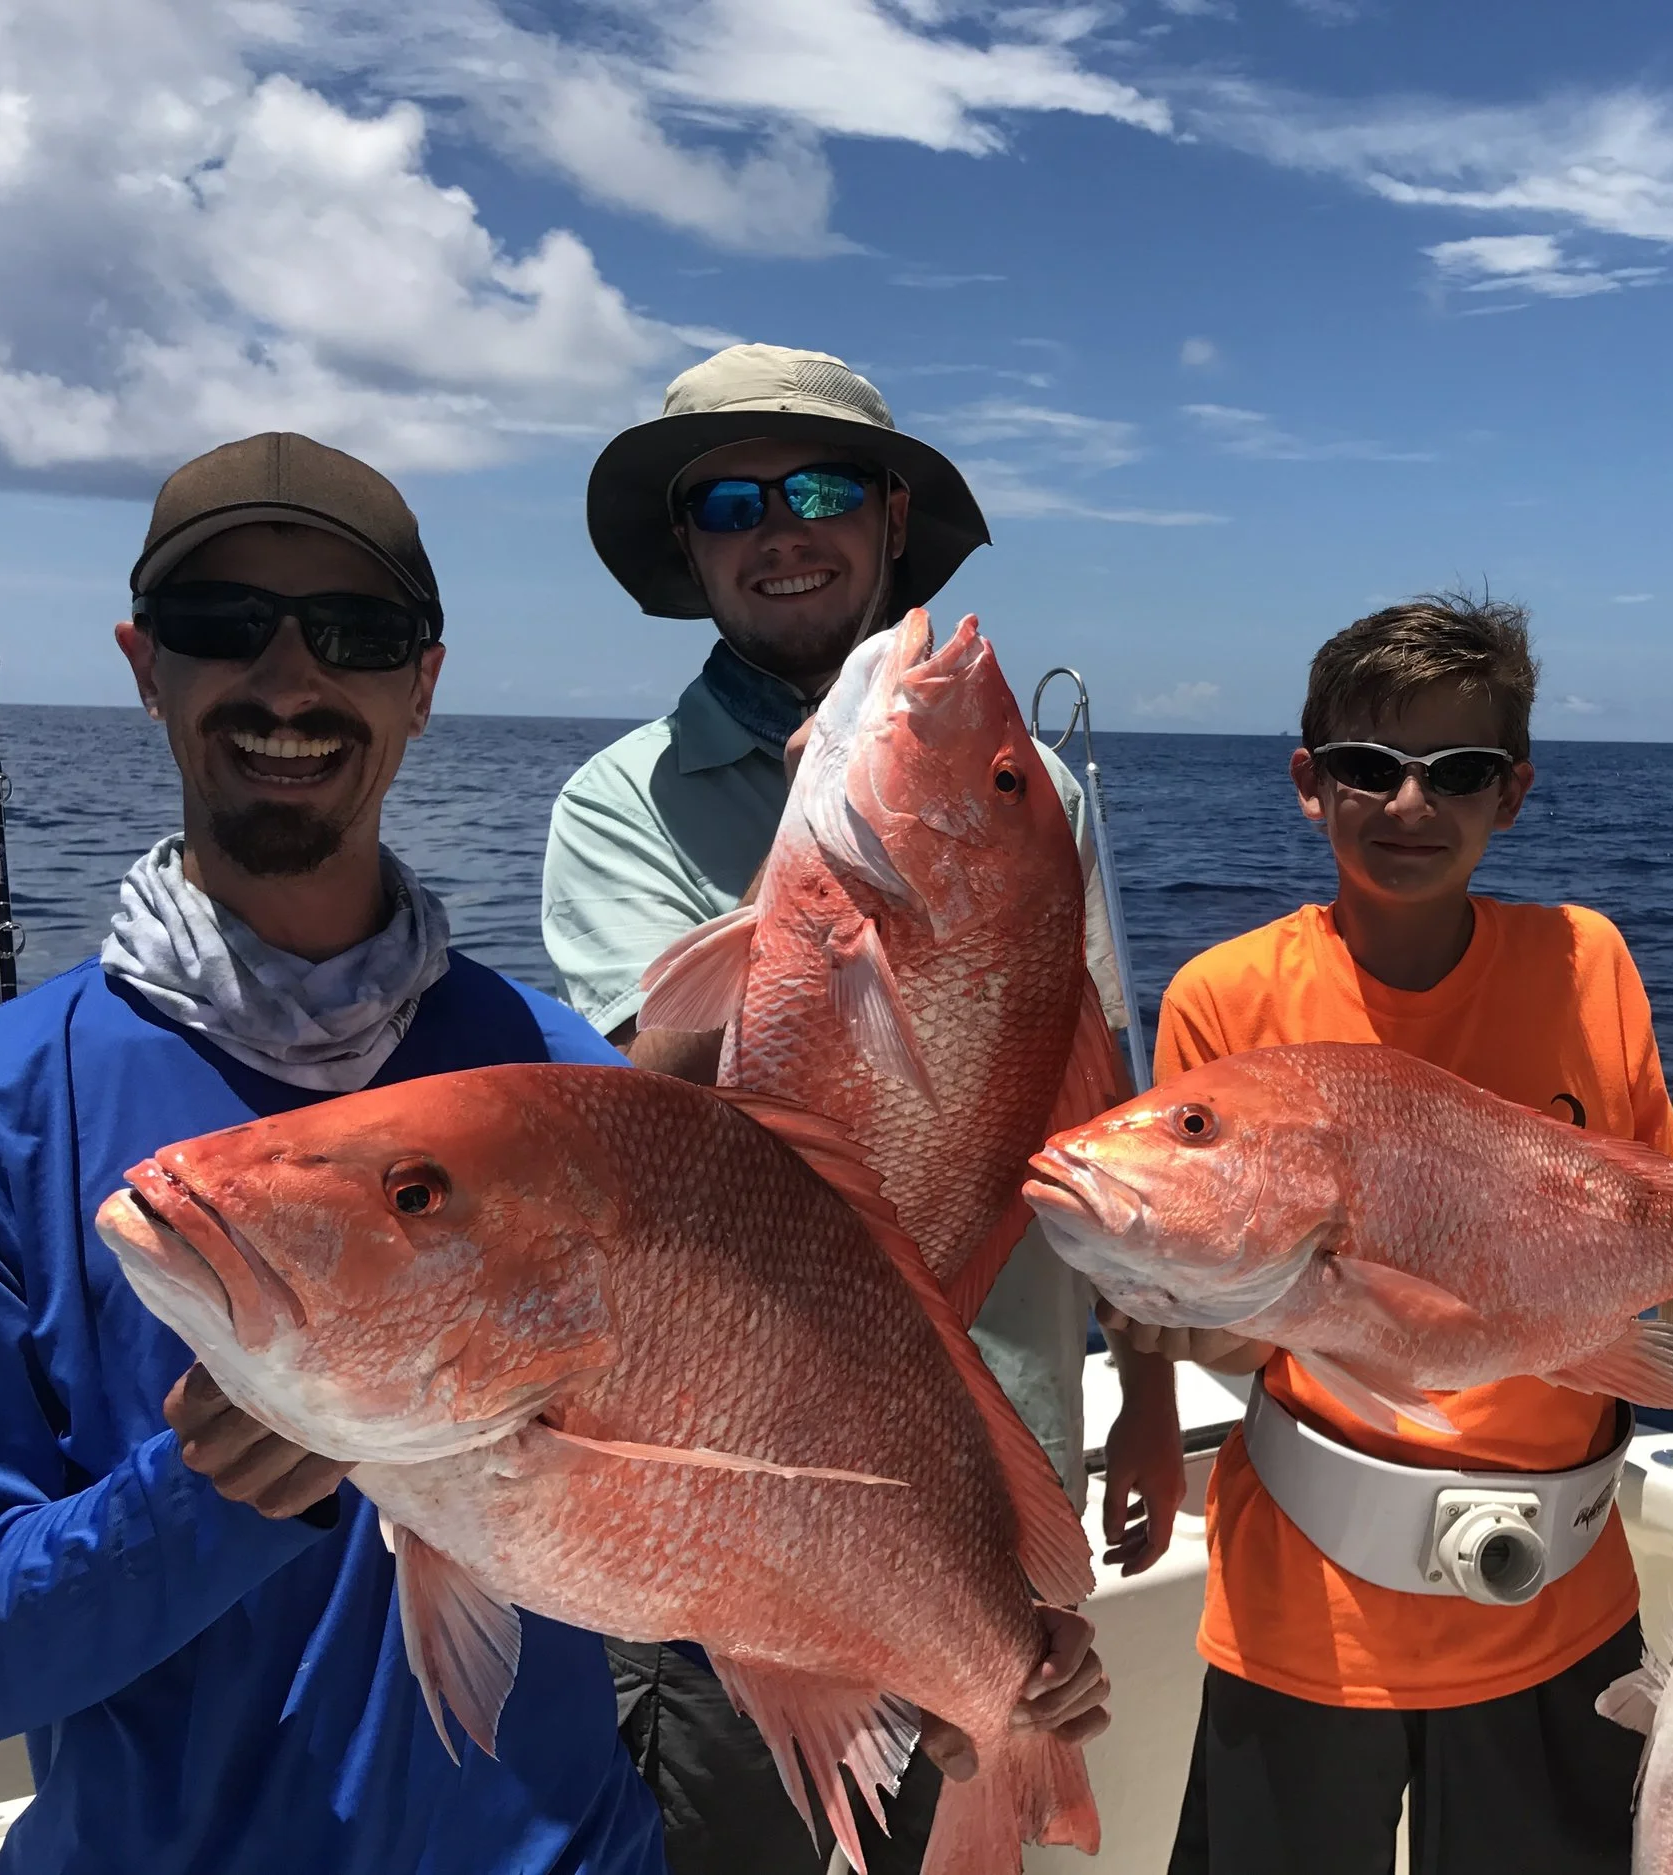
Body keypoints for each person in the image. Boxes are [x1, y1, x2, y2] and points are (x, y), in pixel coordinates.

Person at [0, 432, 668, 1872]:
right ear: (147, 666)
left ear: (424, 683)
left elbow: (704, 1509)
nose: (287, 677)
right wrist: (197, 1496)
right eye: (222, 627)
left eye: (355, 631)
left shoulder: (583, 1091)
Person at [540, 343, 1163, 1874]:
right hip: (734, 1459)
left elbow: (1099, 1108)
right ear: (691, 551)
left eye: (820, 488)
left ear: (892, 520)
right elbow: (653, 1113)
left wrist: (1148, 1387)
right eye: (733, 501)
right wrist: (835, 881)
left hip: (989, 1447)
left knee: (968, 1829)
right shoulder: (615, 804)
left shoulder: (1042, 798)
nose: (782, 527)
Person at [1101, 593, 1673, 1875]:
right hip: (1307, 1604)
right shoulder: (1226, 997)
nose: (1409, 805)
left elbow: (1649, 1219)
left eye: (1458, 772)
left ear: (1512, 793)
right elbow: (1213, 1291)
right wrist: (1159, 1374)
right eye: (1370, 767)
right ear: (1309, 783)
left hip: (1561, 1594)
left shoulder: (1587, 959)